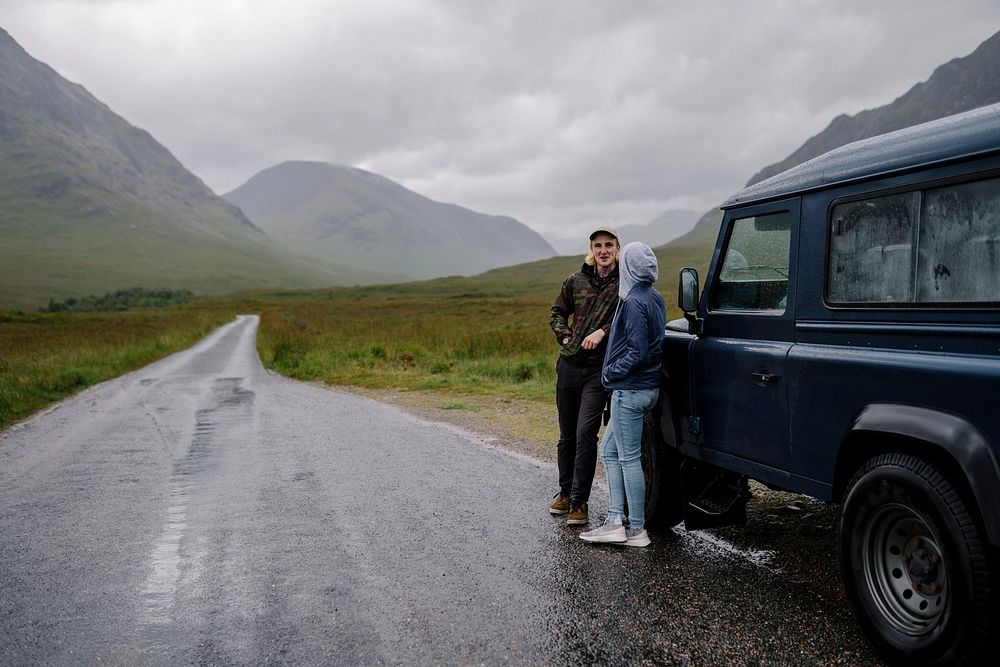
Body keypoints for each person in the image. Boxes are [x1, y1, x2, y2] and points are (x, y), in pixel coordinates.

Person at [580, 241, 665, 548]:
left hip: (630, 390)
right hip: (646, 388)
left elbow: (638, 351)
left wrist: (611, 372)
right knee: (610, 450)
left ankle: (637, 530)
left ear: (628, 267)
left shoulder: (631, 302)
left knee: (628, 458)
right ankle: (615, 520)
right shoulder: (654, 297)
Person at [548, 227, 621, 526]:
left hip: (597, 370)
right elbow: (556, 312)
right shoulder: (574, 281)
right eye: (598, 245)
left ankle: (580, 501)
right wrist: (565, 338)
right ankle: (564, 493)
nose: (603, 251)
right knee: (567, 436)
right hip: (568, 367)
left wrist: (603, 331)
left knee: (585, 434)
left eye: (609, 245)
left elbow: (623, 318)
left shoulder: (624, 285)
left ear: (617, 249)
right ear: (591, 249)